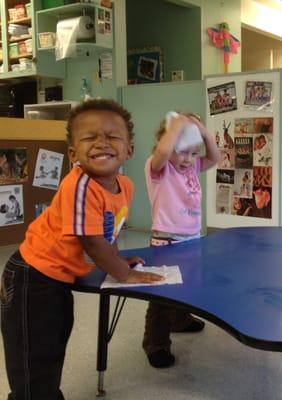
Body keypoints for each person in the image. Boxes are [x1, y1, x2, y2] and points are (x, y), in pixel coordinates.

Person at [0, 99, 163, 400]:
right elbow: (90, 241)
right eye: (90, 137)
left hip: (58, 279)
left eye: (113, 136)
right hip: (30, 277)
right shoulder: (80, 186)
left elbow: (107, 231)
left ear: (129, 149)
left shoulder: (124, 186)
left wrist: (117, 259)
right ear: (73, 153)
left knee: (53, 344)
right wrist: (122, 273)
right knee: (33, 356)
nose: (102, 143)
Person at [143, 111, 219, 368]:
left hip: (191, 239)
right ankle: (156, 343)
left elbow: (215, 157)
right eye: (182, 151)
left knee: (186, 285)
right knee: (162, 297)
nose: (188, 159)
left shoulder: (193, 167)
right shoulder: (159, 167)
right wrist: (176, 126)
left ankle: (181, 319)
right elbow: (164, 152)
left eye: (192, 152)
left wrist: (201, 129)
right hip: (166, 241)